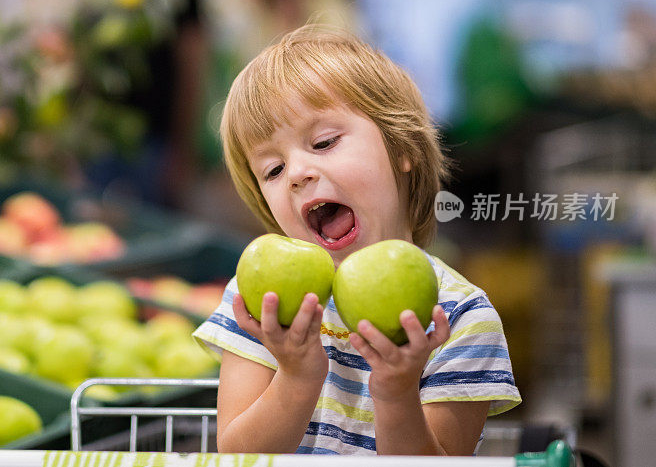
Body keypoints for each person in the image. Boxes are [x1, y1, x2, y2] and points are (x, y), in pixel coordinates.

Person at [191, 25, 521, 455]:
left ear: (400, 147)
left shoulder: (458, 320)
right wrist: (296, 376)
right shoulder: (264, 305)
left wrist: (398, 391)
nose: (296, 174)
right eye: (272, 170)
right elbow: (238, 458)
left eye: (324, 142)